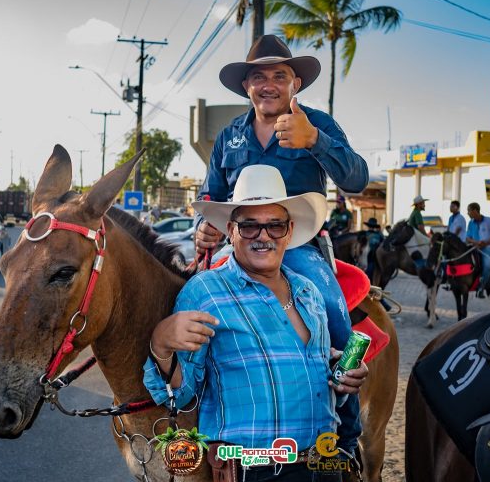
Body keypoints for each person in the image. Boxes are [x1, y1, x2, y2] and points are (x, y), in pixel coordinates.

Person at [193, 34, 369, 455]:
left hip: (299, 246)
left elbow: (357, 180)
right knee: (184, 302)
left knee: (331, 310)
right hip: (237, 244)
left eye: (279, 75)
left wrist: (315, 141)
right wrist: (204, 228)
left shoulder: (318, 124)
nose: (268, 84)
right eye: (258, 76)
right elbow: (211, 194)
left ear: (296, 84)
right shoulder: (230, 135)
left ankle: (345, 435)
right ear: (246, 86)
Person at [145, 165, 368, 481]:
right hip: (256, 471)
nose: (263, 237)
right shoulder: (204, 292)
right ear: (231, 231)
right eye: (249, 226)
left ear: (289, 231)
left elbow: (318, 381)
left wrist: (342, 380)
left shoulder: (309, 293)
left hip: (324, 464)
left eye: (274, 226)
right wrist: (161, 344)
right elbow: (180, 397)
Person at [466, 202, 490, 298]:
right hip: (473, 247)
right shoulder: (470, 223)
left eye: (469, 211)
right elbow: (467, 237)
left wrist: (485, 243)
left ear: (475, 211)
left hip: (487, 248)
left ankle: (481, 287)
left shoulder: (489, 221)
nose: (468, 213)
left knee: (487, 265)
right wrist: (475, 242)